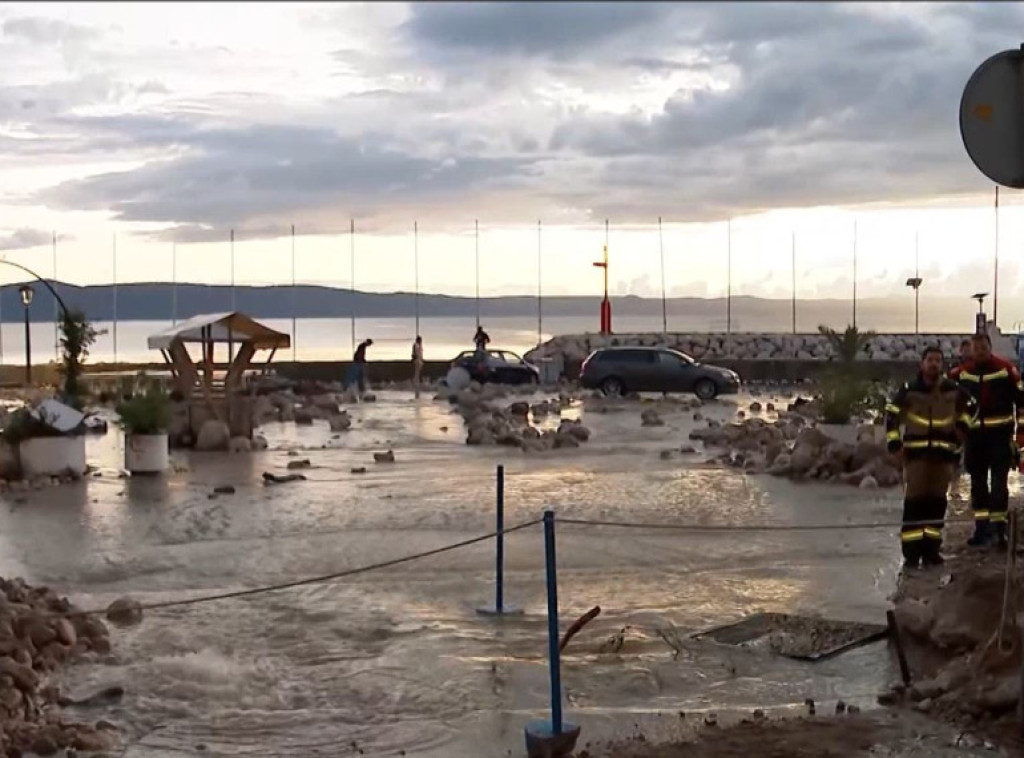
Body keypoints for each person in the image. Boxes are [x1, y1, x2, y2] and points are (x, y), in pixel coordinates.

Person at [885, 346, 976, 569]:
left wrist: (963, 427)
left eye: (938, 360)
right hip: (916, 456)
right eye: (930, 360)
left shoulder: (953, 389)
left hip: (943, 455)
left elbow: (972, 406)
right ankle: (911, 555)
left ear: (942, 365)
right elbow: (891, 415)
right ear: (922, 364)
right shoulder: (909, 390)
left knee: (937, 503)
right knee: (915, 503)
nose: (934, 364)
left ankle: (932, 551)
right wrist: (894, 443)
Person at [949, 332, 1024, 549]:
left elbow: (1021, 403)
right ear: (970, 350)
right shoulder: (962, 374)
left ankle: (999, 531)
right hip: (975, 438)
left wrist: (1020, 434)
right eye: (976, 347)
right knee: (978, 485)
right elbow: (948, 400)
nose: (980, 351)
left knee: (1000, 485)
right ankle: (981, 529)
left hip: (1000, 437)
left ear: (989, 347)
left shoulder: (1006, 370)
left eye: (983, 347)